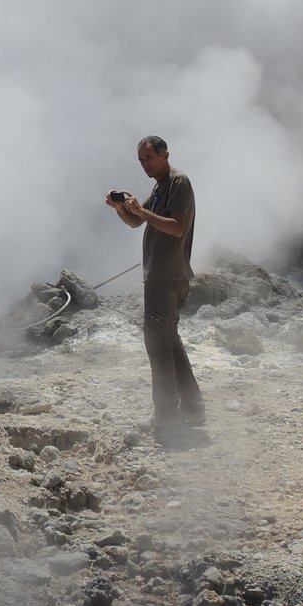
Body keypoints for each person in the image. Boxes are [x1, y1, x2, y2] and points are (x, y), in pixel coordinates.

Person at [105, 135, 204, 436]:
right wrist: (122, 208)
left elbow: (176, 227)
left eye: (149, 159)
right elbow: (138, 222)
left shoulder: (178, 182)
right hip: (162, 276)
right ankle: (193, 407)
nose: (145, 165)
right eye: (141, 161)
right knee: (169, 341)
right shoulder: (161, 186)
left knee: (157, 345)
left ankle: (165, 415)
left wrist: (142, 211)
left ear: (165, 155)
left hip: (166, 276)